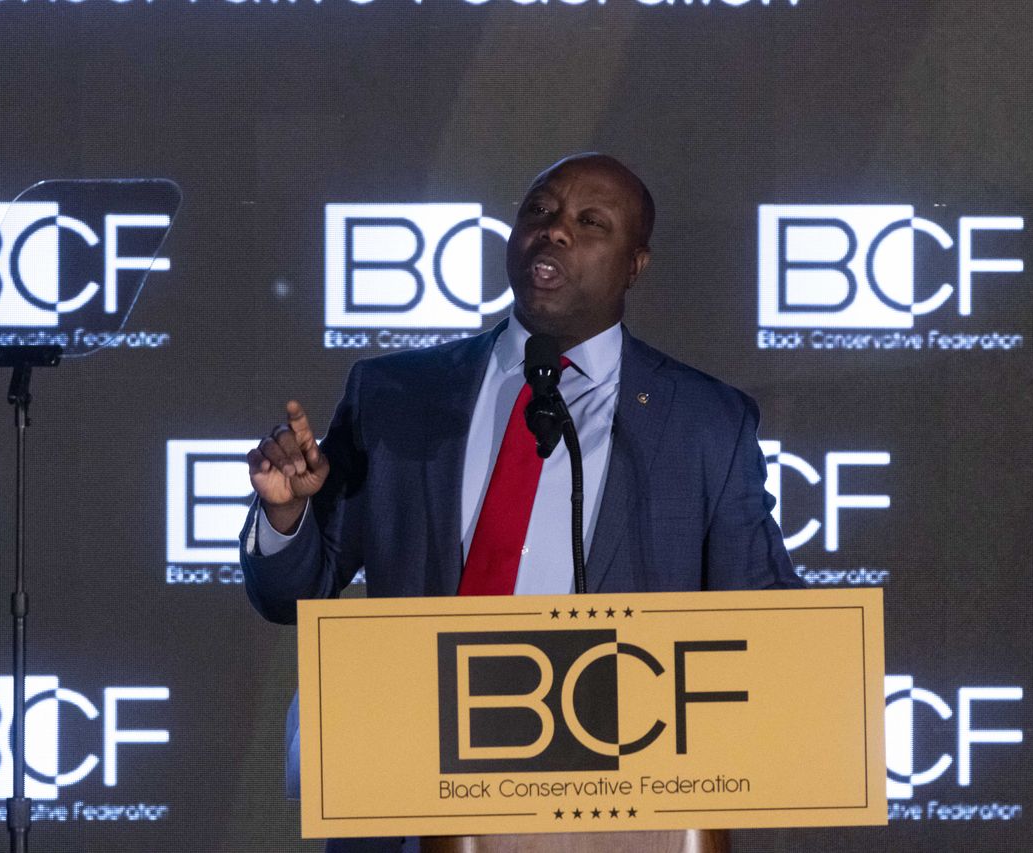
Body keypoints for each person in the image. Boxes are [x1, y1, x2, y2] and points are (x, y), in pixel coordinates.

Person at [240, 154, 800, 852]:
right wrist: (285, 513)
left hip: (624, 813)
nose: (555, 232)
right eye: (539, 211)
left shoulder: (706, 422)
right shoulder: (396, 395)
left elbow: (771, 630)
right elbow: (293, 591)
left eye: (590, 223)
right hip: (412, 804)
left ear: (636, 263)